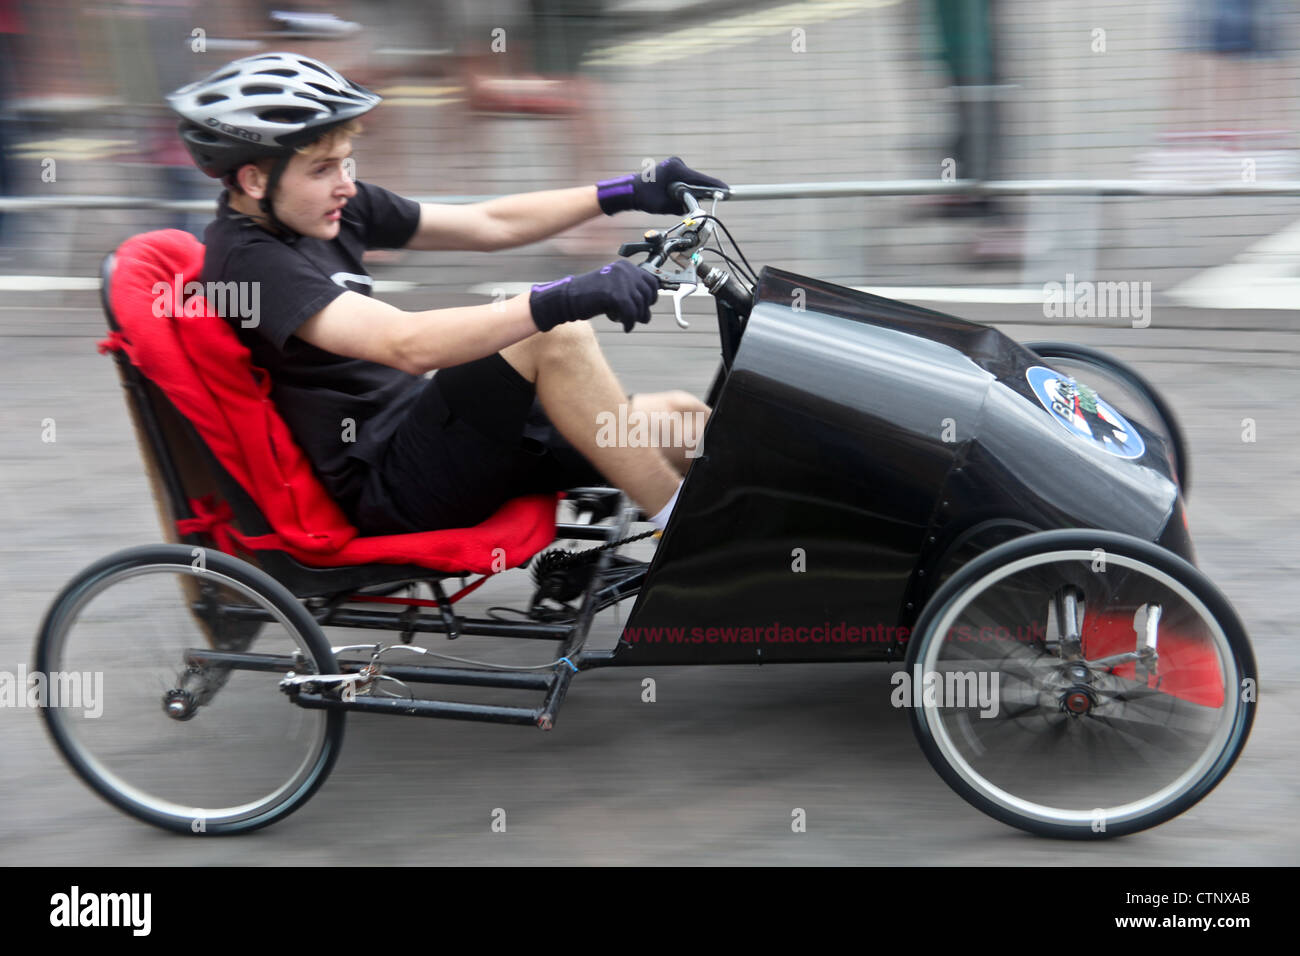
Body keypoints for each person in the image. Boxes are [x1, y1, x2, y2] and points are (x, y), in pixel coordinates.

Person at [165, 52, 727, 536]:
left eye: (343, 162)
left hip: (441, 432)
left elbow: (488, 224)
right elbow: (404, 343)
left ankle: (778, 545)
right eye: (321, 168)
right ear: (254, 181)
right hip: (389, 480)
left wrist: (625, 191)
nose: (344, 182)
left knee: (685, 422)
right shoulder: (248, 262)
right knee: (555, 336)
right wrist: (564, 296)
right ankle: (687, 541)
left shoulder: (328, 207)